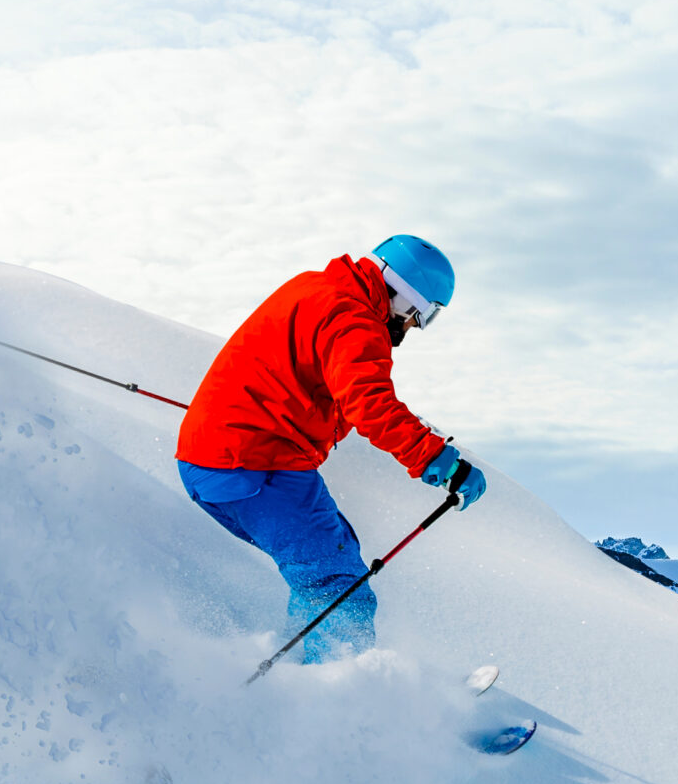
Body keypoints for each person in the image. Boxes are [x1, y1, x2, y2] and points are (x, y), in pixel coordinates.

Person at [175, 236, 487, 663]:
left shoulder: (317, 288)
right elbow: (369, 403)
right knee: (340, 589)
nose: (414, 326)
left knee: (333, 562)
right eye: (423, 314)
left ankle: (302, 674)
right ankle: (334, 702)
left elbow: (303, 376)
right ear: (406, 296)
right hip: (253, 467)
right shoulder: (355, 319)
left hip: (215, 459)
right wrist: (438, 460)